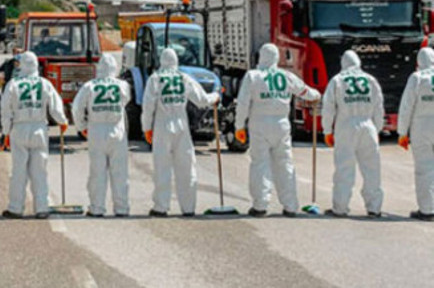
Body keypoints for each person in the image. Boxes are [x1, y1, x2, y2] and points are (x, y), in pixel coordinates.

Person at [235, 43, 320, 217]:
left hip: (259, 124)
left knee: (260, 164)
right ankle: (290, 206)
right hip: (282, 124)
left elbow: (243, 104)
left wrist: (239, 126)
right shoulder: (286, 76)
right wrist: (316, 95)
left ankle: (260, 205)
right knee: (285, 164)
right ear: (276, 58)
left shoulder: (253, 76)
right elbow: (305, 91)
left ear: (261, 57)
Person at [142, 48, 219, 217]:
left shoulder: (155, 79)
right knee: (186, 167)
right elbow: (201, 100)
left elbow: (148, 107)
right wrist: (215, 96)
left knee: (162, 168)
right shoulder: (184, 78)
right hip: (181, 125)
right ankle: (189, 208)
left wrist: (147, 128)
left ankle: (161, 207)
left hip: (162, 126)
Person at [1, 51, 67, 219]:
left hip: (19, 128)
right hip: (39, 128)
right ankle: (42, 208)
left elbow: (5, 110)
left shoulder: (13, 84)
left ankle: (15, 208)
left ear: (22, 65)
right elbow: (55, 106)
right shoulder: (44, 83)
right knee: (40, 171)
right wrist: (62, 121)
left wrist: (5, 132)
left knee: (19, 172)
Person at [321, 50, 384, 218]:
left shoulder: (337, 81)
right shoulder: (371, 80)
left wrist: (327, 130)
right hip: (368, 125)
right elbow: (379, 108)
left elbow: (328, 108)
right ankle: (374, 208)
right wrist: (376, 129)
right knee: (372, 169)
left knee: (344, 168)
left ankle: (340, 208)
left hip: (345, 126)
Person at [73, 53, 131, 217]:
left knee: (97, 172)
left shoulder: (89, 86)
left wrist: (81, 126)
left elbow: (77, 108)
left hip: (96, 130)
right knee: (120, 172)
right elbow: (125, 101)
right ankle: (122, 208)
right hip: (117, 130)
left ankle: (97, 208)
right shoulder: (123, 85)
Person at [397, 47, 434, 221]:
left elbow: (406, 107)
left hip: (422, 127)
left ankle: (427, 210)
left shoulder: (417, 78)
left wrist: (402, 133)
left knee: (424, 169)